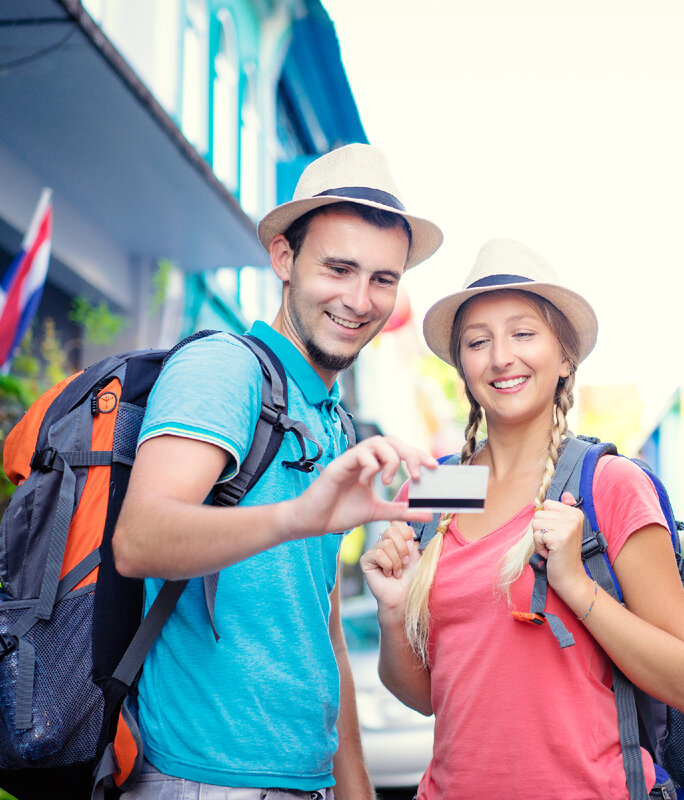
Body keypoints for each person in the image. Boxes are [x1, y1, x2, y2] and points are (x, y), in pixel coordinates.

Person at [112, 143, 443, 800]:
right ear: (284, 258)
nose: (359, 299)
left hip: (304, 782)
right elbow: (139, 539)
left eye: (383, 278)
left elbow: (316, 624)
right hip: (203, 780)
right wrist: (298, 517)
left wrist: (354, 788)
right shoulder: (223, 369)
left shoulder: (333, 419)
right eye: (340, 268)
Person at [362, 238, 684, 799]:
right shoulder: (438, 489)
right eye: (478, 342)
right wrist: (394, 611)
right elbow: (428, 696)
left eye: (523, 333)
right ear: (463, 366)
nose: (501, 357)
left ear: (565, 356)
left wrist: (575, 584)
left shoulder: (609, 485)